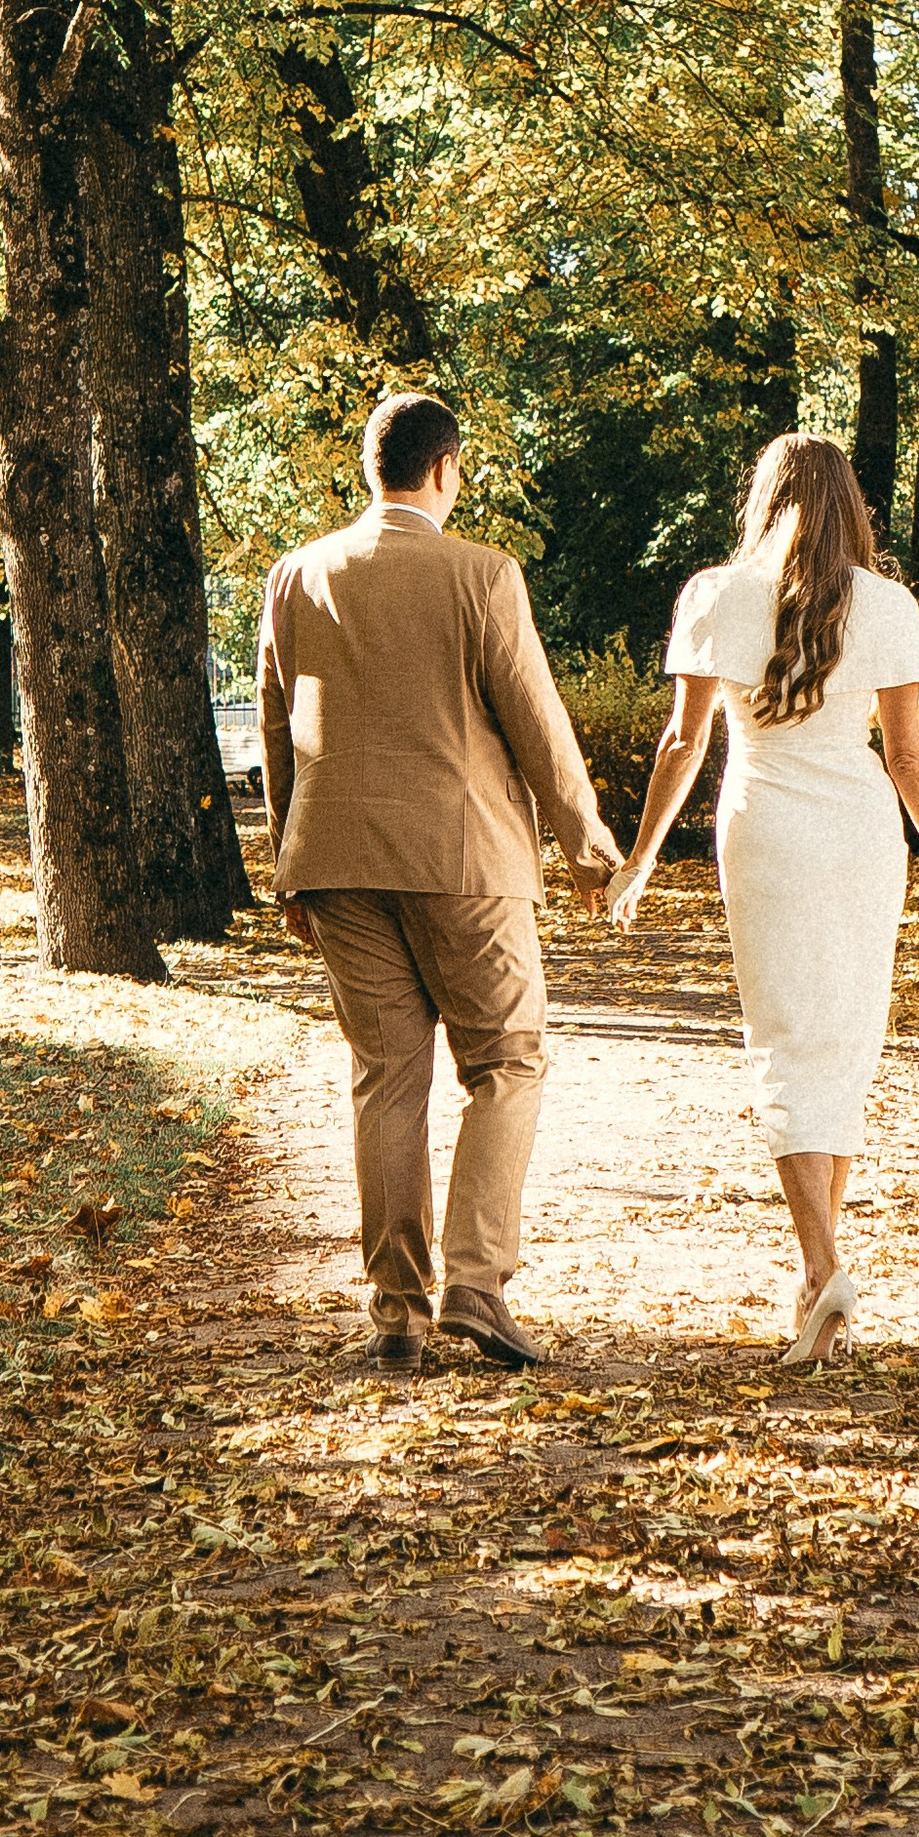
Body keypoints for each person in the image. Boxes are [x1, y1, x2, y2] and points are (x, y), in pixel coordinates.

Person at [258, 390, 621, 1375]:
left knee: (386, 1078)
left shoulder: (298, 574)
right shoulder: (482, 574)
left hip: (334, 858)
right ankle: (474, 1283)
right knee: (506, 1061)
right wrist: (588, 842)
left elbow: (277, 724)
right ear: (446, 470)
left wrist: (289, 859)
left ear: (373, 470)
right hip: (462, 860)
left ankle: (394, 1307)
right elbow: (536, 721)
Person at [606, 433, 919, 1365]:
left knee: (782, 1040)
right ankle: (821, 1279)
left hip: (764, 826)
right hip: (860, 835)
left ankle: (822, 1269)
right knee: (843, 1043)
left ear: (763, 500)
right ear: (853, 503)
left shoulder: (714, 595)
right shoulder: (887, 604)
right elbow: (906, 754)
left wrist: (643, 858)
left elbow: (681, 747)